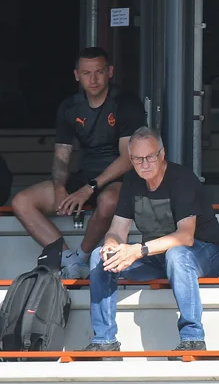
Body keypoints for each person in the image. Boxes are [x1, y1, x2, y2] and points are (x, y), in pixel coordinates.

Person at [81, 127, 219, 356]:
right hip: (156, 255)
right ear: (131, 159)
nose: (145, 164)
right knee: (99, 256)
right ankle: (104, 339)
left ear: (162, 153)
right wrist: (111, 244)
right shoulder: (131, 181)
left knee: (177, 253)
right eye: (138, 159)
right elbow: (118, 229)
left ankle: (193, 338)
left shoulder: (182, 179)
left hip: (205, 253)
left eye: (150, 157)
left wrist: (138, 250)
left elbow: (185, 236)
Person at [11, 47, 145, 278]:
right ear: (76, 75)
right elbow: (61, 155)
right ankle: (69, 260)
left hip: (119, 178)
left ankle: (82, 257)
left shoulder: (125, 102)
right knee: (22, 202)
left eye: (99, 72)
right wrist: (59, 188)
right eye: (86, 73)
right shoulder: (70, 106)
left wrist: (88, 188)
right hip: (86, 176)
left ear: (110, 72)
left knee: (109, 202)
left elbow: (128, 158)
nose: (93, 79)